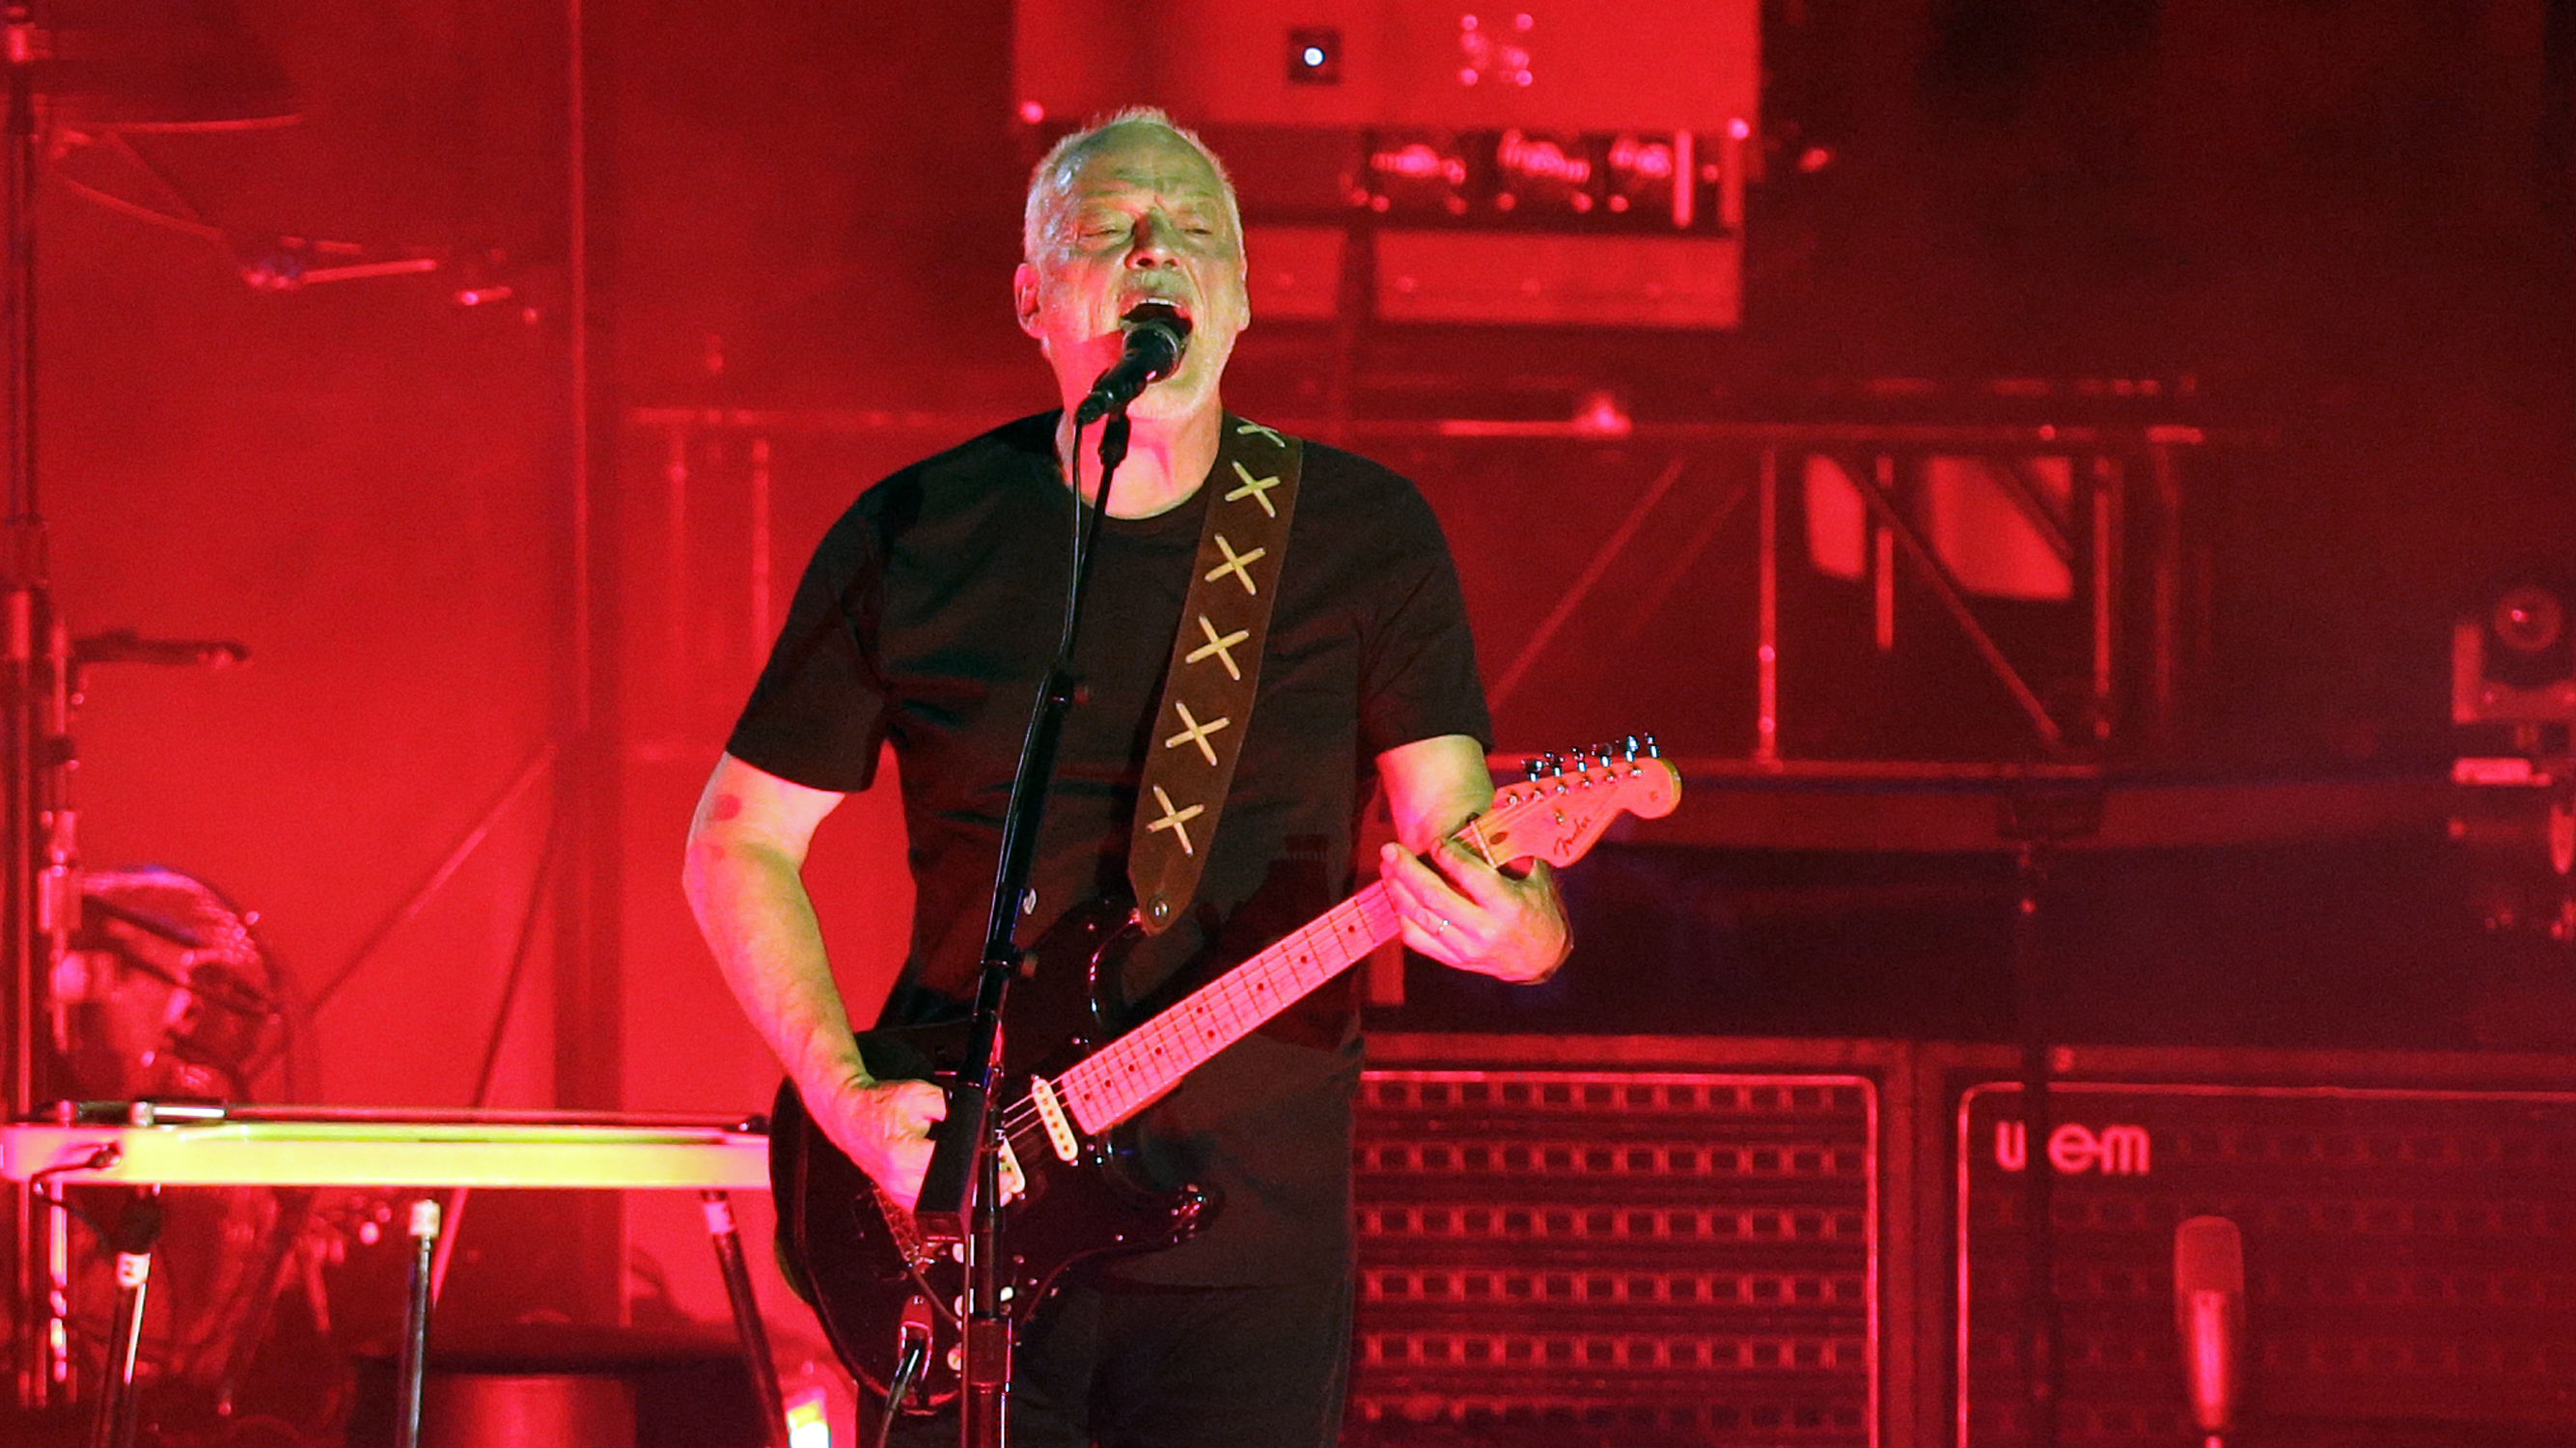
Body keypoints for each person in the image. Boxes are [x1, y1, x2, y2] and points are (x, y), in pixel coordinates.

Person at [681, 108, 1568, 1448]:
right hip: (955, 1208)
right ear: (1034, 301)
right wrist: (849, 1104)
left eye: (1194, 235)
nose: (1157, 251)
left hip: (1248, 1234)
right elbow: (738, 840)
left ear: (1241, 302)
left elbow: (1461, 839)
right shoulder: (918, 530)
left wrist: (1523, 929)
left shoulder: (1359, 535)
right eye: (1107, 233)